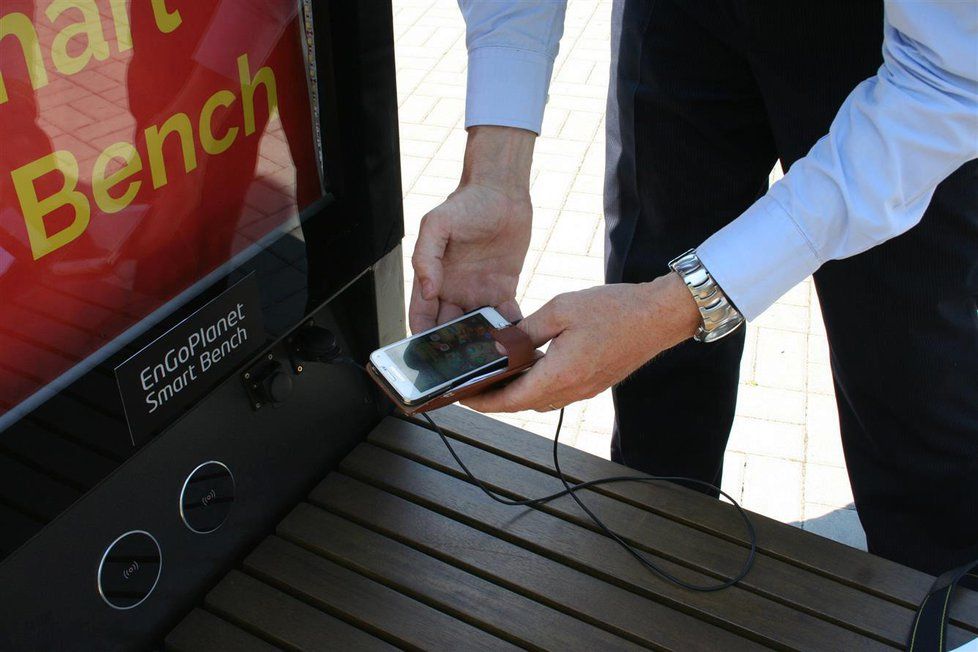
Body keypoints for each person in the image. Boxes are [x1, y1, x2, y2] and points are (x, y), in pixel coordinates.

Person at [408, 0, 978, 576]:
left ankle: (948, 604)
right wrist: (496, 176)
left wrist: (671, 309)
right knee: (658, 387)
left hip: (897, 40)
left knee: (912, 373)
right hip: (675, 17)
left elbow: (947, 85)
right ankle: (642, 585)